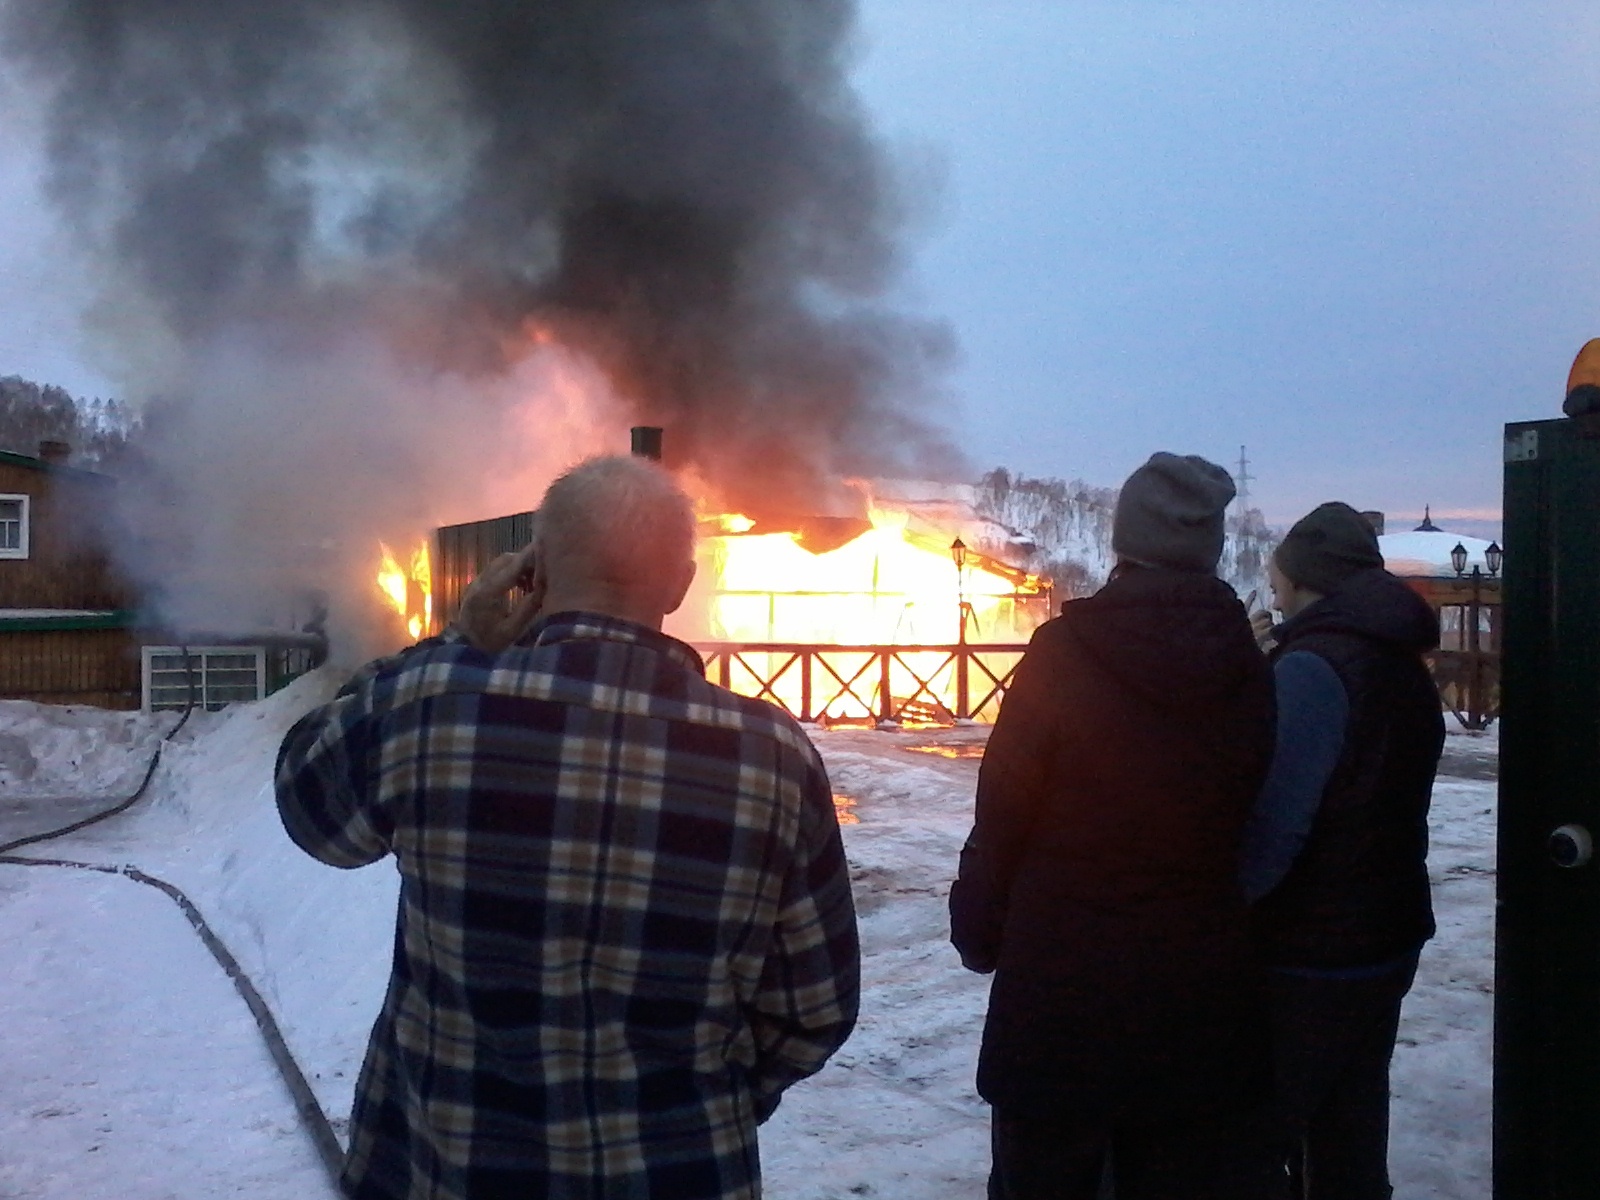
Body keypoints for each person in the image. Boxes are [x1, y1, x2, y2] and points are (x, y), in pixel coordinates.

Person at [275, 455, 860, 1200]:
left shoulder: (428, 705)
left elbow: (310, 811)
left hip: (448, 1169)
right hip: (678, 1170)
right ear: (680, 585)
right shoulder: (772, 757)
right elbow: (813, 1009)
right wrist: (704, 1100)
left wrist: (455, 643)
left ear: (535, 570)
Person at [950, 452, 1278, 1199]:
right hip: (1197, 992)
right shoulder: (1248, 665)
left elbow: (1003, 809)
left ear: (1123, 543)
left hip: (1060, 993)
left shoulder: (1063, 654)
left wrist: (978, 928)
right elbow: (1249, 810)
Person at [1240, 501, 1443, 1199]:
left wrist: (1224, 908)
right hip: (1384, 935)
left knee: (1255, 1140)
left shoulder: (1314, 668)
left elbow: (1276, 826)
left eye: (1277, 575)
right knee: (1350, 1134)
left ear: (1305, 578)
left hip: (1311, 952)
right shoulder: (1395, 659)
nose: (1271, 587)